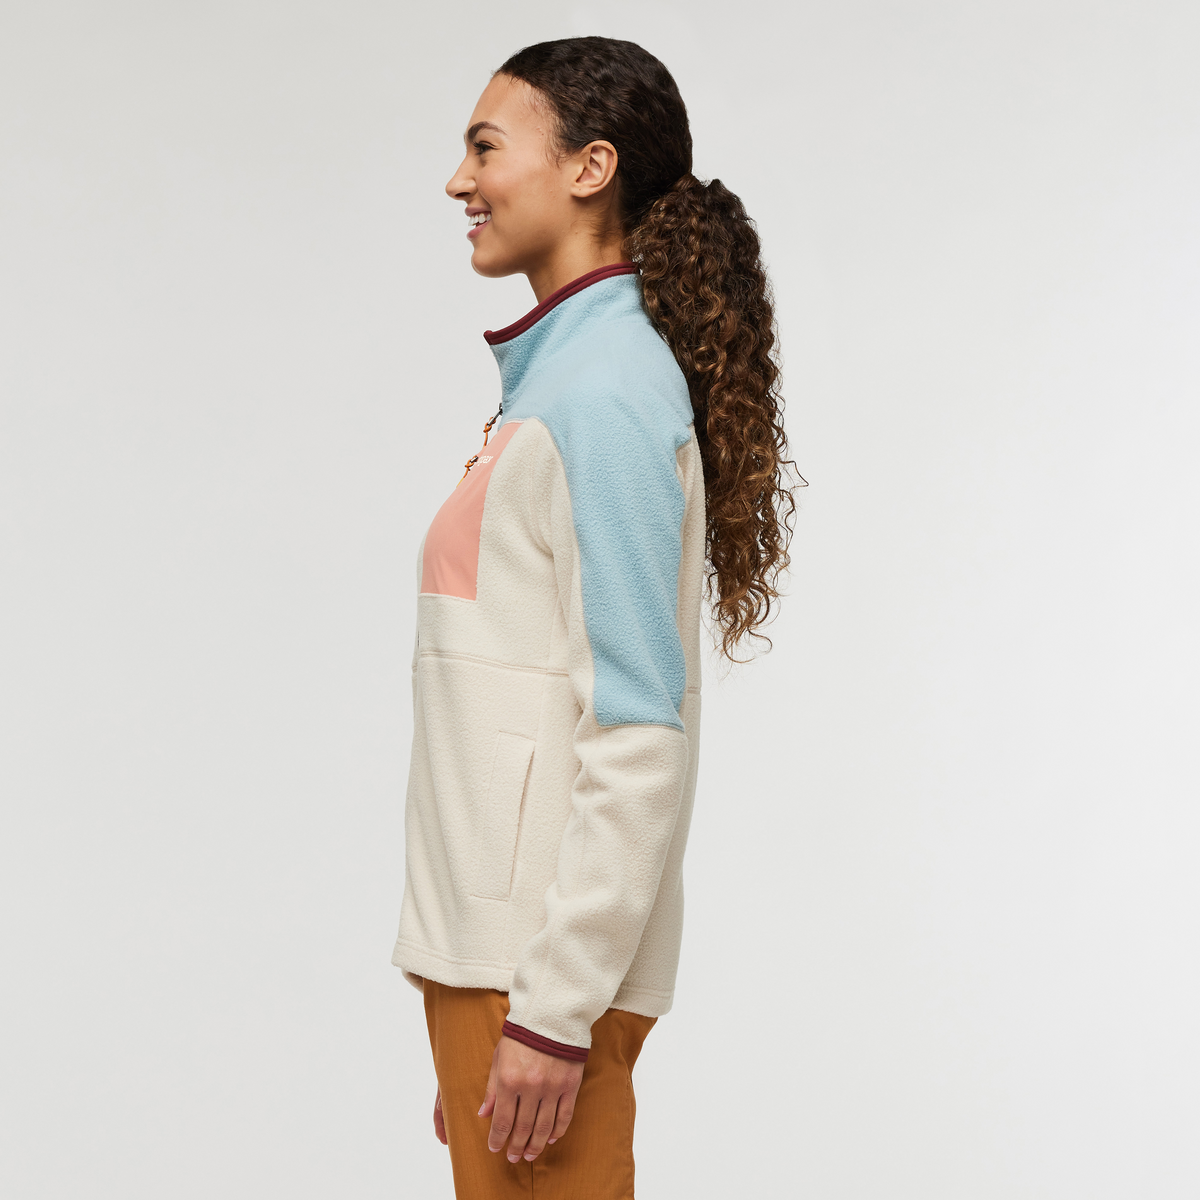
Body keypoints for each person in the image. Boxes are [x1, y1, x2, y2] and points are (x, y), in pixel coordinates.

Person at [392, 35, 796, 1199]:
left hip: (532, 975)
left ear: (589, 167)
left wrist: (551, 1012)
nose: (460, 181)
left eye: (485, 148)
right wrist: (486, 1000)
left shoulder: (605, 394)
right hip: (503, 972)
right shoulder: (569, 384)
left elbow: (638, 729)